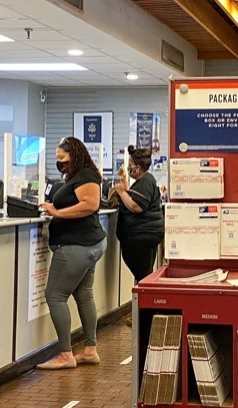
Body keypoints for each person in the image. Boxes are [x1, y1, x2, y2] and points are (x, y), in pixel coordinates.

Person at [37, 136, 107, 369]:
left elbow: (90, 204)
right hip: (89, 244)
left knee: (55, 296)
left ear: (74, 155)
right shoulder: (78, 176)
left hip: (77, 246)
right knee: (83, 294)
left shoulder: (85, 175)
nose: (59, 163)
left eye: (62, 158)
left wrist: (57, 213)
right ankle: (89, 350)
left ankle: (66, 355)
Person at [110, 145, 164, 282]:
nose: (128, 168)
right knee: (144, 275)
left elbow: (137, 206)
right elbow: (135, 197)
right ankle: (141, 303)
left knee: (143, 277)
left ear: (138, 167)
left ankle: (143, 303)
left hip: (140, 236)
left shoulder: (145, 181)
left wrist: (121, 192)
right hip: (146, 235)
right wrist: (125, 188)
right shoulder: (145, 180)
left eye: (130, 165)